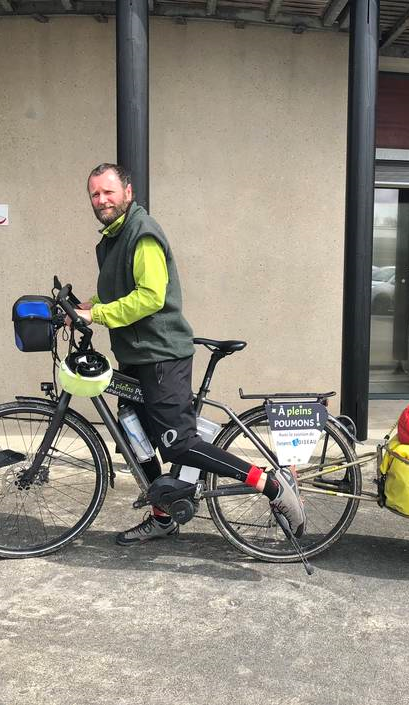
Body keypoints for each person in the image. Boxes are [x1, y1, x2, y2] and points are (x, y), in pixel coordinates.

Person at [74, 163, 305, 545]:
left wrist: (95, 314)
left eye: (108, 192)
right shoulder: (114, 238)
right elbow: (118, 290)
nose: (101, 200)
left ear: (127, 193)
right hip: (136, 354)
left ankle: (269, 484)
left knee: (178, 443)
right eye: (95, 194)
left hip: (161, 355)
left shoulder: (141, 233)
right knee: (135, 432)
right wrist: (85, 304)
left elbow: (150, 296)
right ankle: (163, 515)